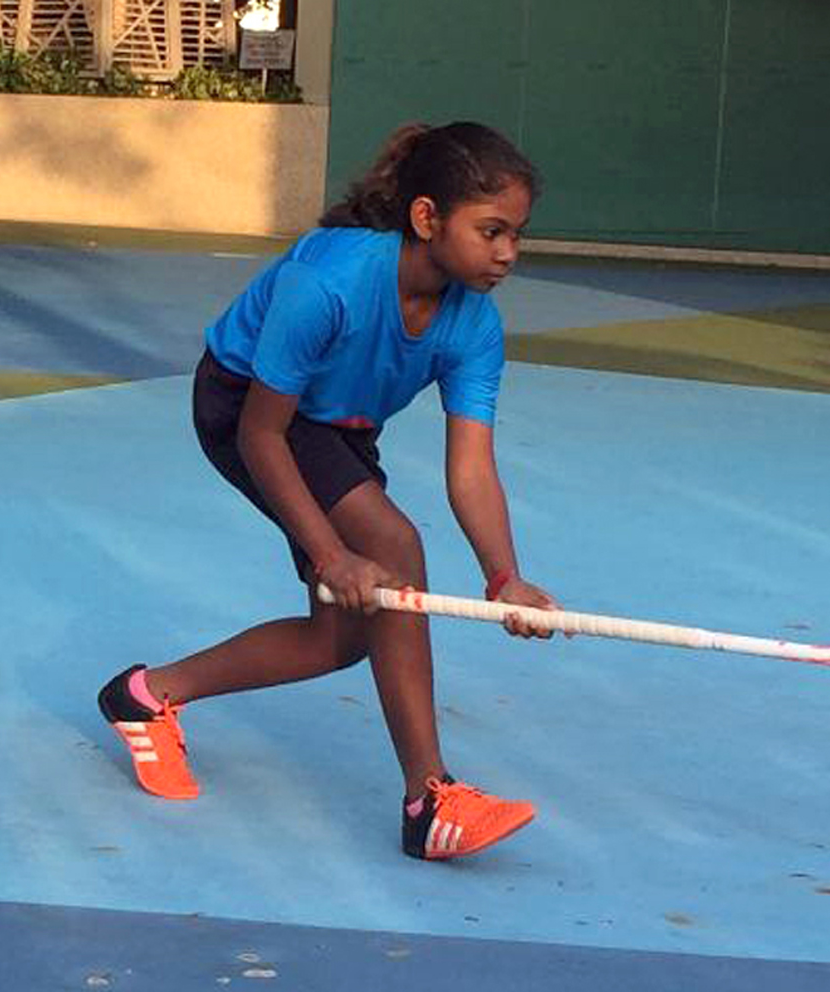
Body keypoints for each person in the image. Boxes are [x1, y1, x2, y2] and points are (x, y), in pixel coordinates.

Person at [98, 121, 558, 861]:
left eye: (517, 234)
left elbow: (470, 466)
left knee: (347, 635)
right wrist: (328, 553)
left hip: (335, 426)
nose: (507, 253)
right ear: (427, 218)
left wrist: (503, 577)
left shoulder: (476, 324)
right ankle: (429, 799)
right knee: (390, 547)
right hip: (246, 404)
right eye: (492, 230)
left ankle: (146, 695)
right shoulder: (330, 281)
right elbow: (260, 435)